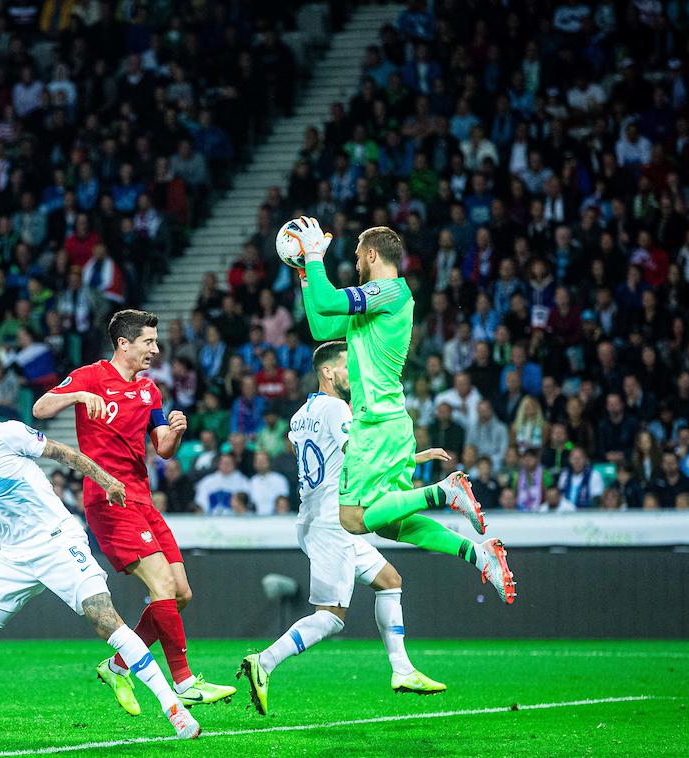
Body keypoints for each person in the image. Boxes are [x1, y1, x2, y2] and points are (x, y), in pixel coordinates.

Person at [0, 385, 199, 739]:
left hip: (57, 539)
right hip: (14, 556)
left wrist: (106, 479)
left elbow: (63, 453)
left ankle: (174, 709)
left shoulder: (7, 434)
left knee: (105, 619)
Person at [292, 219, 516, 602]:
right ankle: (480, 555)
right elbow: (319, 323)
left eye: (359, 257)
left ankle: (444, 491)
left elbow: (331, 301)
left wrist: (315, 256)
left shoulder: (392, 292)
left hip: (375, 424)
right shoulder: (371, 307)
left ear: (373, 254)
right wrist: (304, 272)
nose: (357, 264)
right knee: (391, 526)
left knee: (353, 519)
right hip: (391, 424)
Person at [32, 309, 236, 714]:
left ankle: (118, 665)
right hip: (109, 499)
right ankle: (184, 682)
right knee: (162, 584)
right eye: (149, 342)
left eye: (156, 342)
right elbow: (40, 409)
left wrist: (175, 431)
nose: (156, 349)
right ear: (123, 343)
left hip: (142, 498)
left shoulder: (150, 391)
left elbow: (162, 448)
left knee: (181, 594)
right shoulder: (90, 375)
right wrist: (76, 395)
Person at [239, 341, 454, 714]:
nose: (352, 375)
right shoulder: (337, 408)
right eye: (346, 367)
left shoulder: (300, 413)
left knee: (390, 580)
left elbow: (301, 450)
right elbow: (361, 457)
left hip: (312, 518)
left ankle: (403, 670)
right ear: (327, 372)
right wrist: (414, 457)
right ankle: (265, 662)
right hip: (332, 523)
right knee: (331, 617)